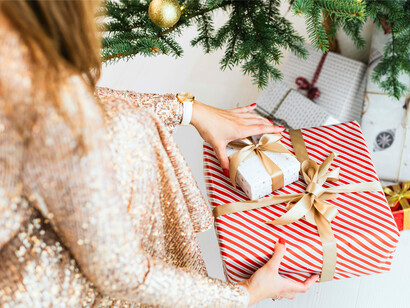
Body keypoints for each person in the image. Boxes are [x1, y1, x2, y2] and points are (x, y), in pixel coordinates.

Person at [0, 1, 318, 307]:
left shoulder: (24, 68)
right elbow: (124, 274)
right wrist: (243, 295)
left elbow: (79, 95)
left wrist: (187, 110)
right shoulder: (58, 123)